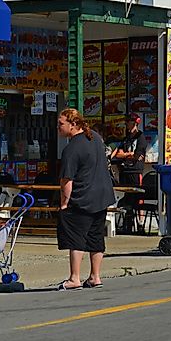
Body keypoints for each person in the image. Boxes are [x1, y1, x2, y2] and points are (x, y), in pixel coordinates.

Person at [56, 108, 116, 290]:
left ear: (73, 125)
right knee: (96, 237)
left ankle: (74, 278)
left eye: (61, 124)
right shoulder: (95, 137)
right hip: (102, 195)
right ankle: (95, 276)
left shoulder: (72, 148)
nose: (58, 127)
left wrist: (64, 203)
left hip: (83, 197)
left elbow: (67, 180)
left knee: (77, 238)